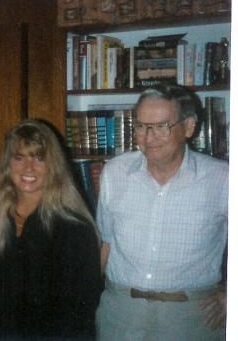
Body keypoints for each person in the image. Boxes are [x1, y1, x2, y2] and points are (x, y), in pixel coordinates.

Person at [96, 84, 228, 340]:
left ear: (188, 127)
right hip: (121, 311)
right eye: (141, 126)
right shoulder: (115, 172)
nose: (148, 137)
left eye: (161, 127)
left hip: (193, 315)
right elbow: (106, 242)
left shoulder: (222, 178)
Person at [0, 119, 102, 340]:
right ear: (7, 164)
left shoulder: (75, 226)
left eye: (39, 158)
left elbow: (81, 310)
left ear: (53, 166)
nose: (28, 168)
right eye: (19, 157)